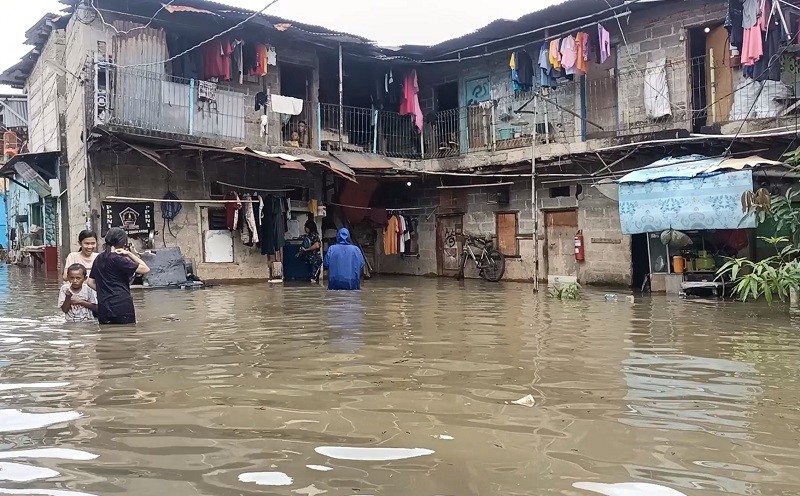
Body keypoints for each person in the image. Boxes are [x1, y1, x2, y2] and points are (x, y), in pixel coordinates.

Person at [88, 228, 150, 325]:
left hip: (104, 306)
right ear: (122, 242)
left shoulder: (99, 258)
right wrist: (129, 253)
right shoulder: (119, 259)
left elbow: (90, 282)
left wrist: (104, 290)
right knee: (127, 334)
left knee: (106, 336)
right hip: (122, 305)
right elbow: (146, 269)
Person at [297, 219, 322, 283]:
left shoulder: (314, 235)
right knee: (312, 279)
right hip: (311, 260)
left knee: (313, 279)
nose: (304, 228)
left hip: (315, 260)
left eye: (305, 226)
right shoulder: (309, 236)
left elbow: (316, 245)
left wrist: (306, 250)